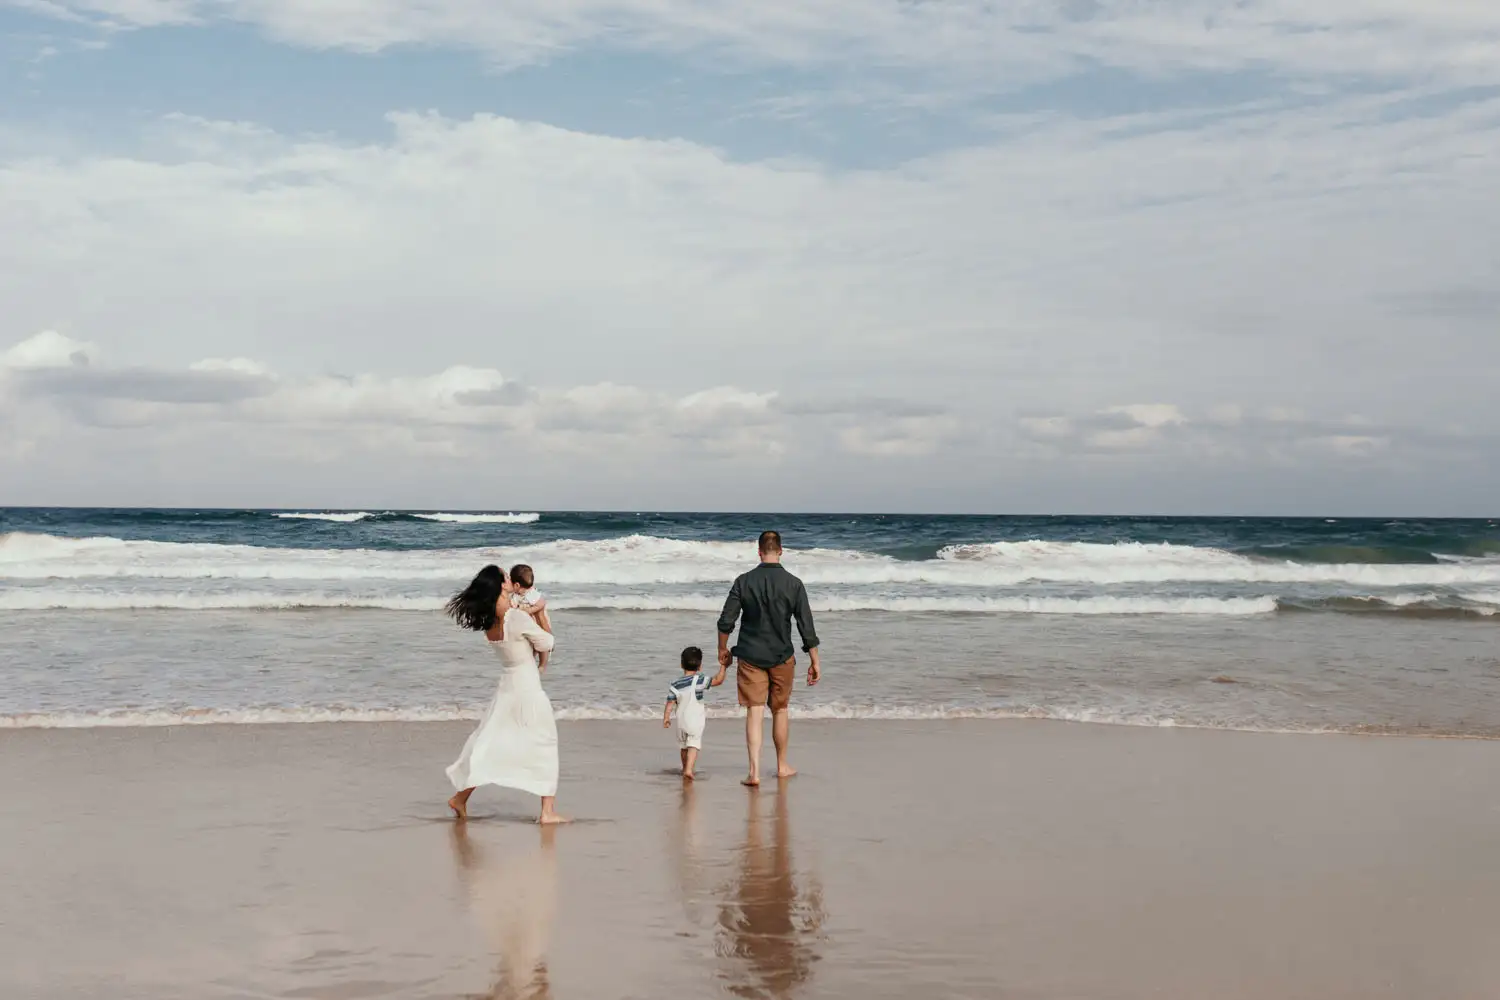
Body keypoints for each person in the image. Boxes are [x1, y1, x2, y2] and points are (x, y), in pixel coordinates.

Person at [444, 564, 566, 825]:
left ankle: (460, 798)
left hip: (507, 686)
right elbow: (548, 643)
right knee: (545, 741)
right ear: (501, 585)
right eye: (507, 577)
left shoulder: (490, 621)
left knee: (491, 743)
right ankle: (547, 812)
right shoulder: (516, 618)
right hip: (526, 686)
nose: (511, 580)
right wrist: (542, 614)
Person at [714, 531, 821, 787]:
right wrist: (815, 660)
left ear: (759, 551)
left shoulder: (743, 581)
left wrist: (722, 649)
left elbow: (726, 621)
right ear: (781, 551)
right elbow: (806, 626)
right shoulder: (794, 584)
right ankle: (782, 765)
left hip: (750, 655)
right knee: (780, 710)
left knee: (755, 710)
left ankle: (754, 773)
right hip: (782, 655)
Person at [662, 645, 724, 779]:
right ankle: (689, 770)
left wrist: (666, 717)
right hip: (695, 721)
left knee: (683, 747)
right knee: (693, 745)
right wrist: (723, 667)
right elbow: (718, 680)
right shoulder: (699, 680)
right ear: (700, 666)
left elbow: (670, 702)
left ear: (681, 664)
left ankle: (685, 768)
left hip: (681, 722)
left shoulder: (675, 683)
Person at [509, 562, 551, 673]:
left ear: (517, 585)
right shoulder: (515, 594)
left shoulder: (531, 593)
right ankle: (530, 663)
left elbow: (541, 604)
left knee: (543, 645)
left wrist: (528, 610)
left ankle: (542, 665)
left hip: (537, 623)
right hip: (526, 624)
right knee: (529, 645)